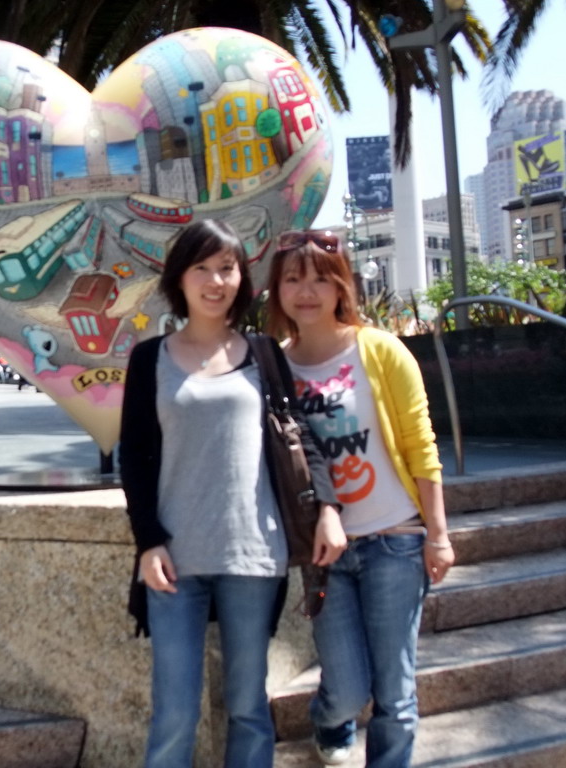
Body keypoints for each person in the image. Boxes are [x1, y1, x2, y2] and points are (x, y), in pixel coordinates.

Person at [119, 219, 341, 768]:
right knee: (174, 710)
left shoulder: (264, 354)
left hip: (253, 554)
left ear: (242, 278)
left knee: (247, 705)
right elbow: (137, 459)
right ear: (180, 278)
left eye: (227, 268)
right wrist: (148, 542)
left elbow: (300, 439)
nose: (216, 281)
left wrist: (328, 508)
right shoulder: (150, 359)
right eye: (203, 268)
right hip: (176, 559)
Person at [264, 231, 455, 767]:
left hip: (394, 541)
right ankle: (330, 720)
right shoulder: (276, 368)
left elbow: (421, 445)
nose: (308, 291)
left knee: (394, 694)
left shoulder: (380, 349)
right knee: (346, 689)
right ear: (276, 290)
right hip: (325, 556)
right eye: (294, 278)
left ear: (342, 284)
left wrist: (437, 535)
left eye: (321, 278)